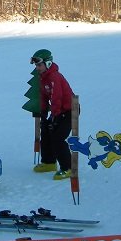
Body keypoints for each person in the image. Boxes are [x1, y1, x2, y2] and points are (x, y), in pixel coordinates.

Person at [30, 49, 75, 180]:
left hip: (69, 110)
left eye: (39, 65)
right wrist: (43, 113)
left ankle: (68, 168)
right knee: (45, 131)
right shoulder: (43, 77)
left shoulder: (54, 76)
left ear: (48, 63)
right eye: (36, 65)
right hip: (58, 111)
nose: (37, 68)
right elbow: (43, 96)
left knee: (57, 137)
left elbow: (57, 98)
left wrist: (55, 117)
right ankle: (49, 162)